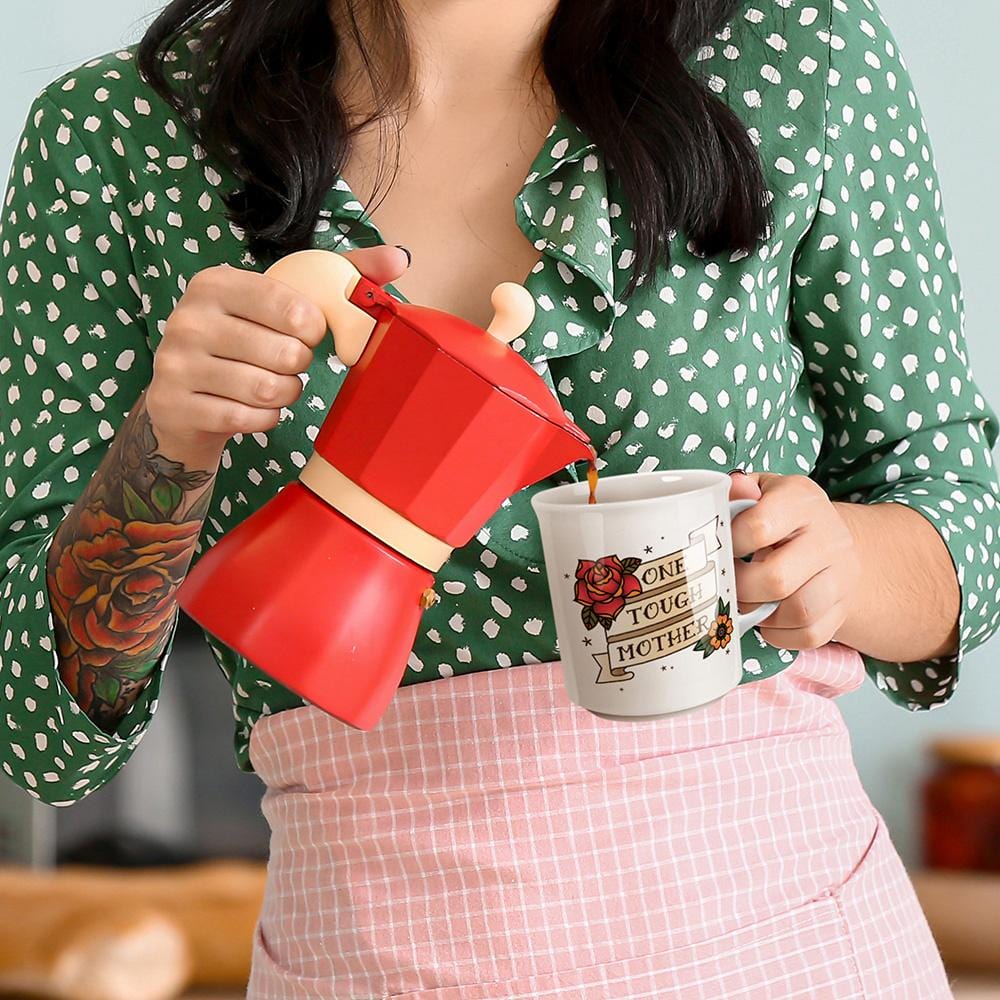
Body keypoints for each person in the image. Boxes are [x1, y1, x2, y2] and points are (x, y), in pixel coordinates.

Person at [1, 0, 997, 995]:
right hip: (370, 963)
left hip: (792, 946)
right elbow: (39, 726)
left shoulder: (795, 53)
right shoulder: (118, 137)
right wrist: (162, 447)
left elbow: (956, 515)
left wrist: (841, 563)